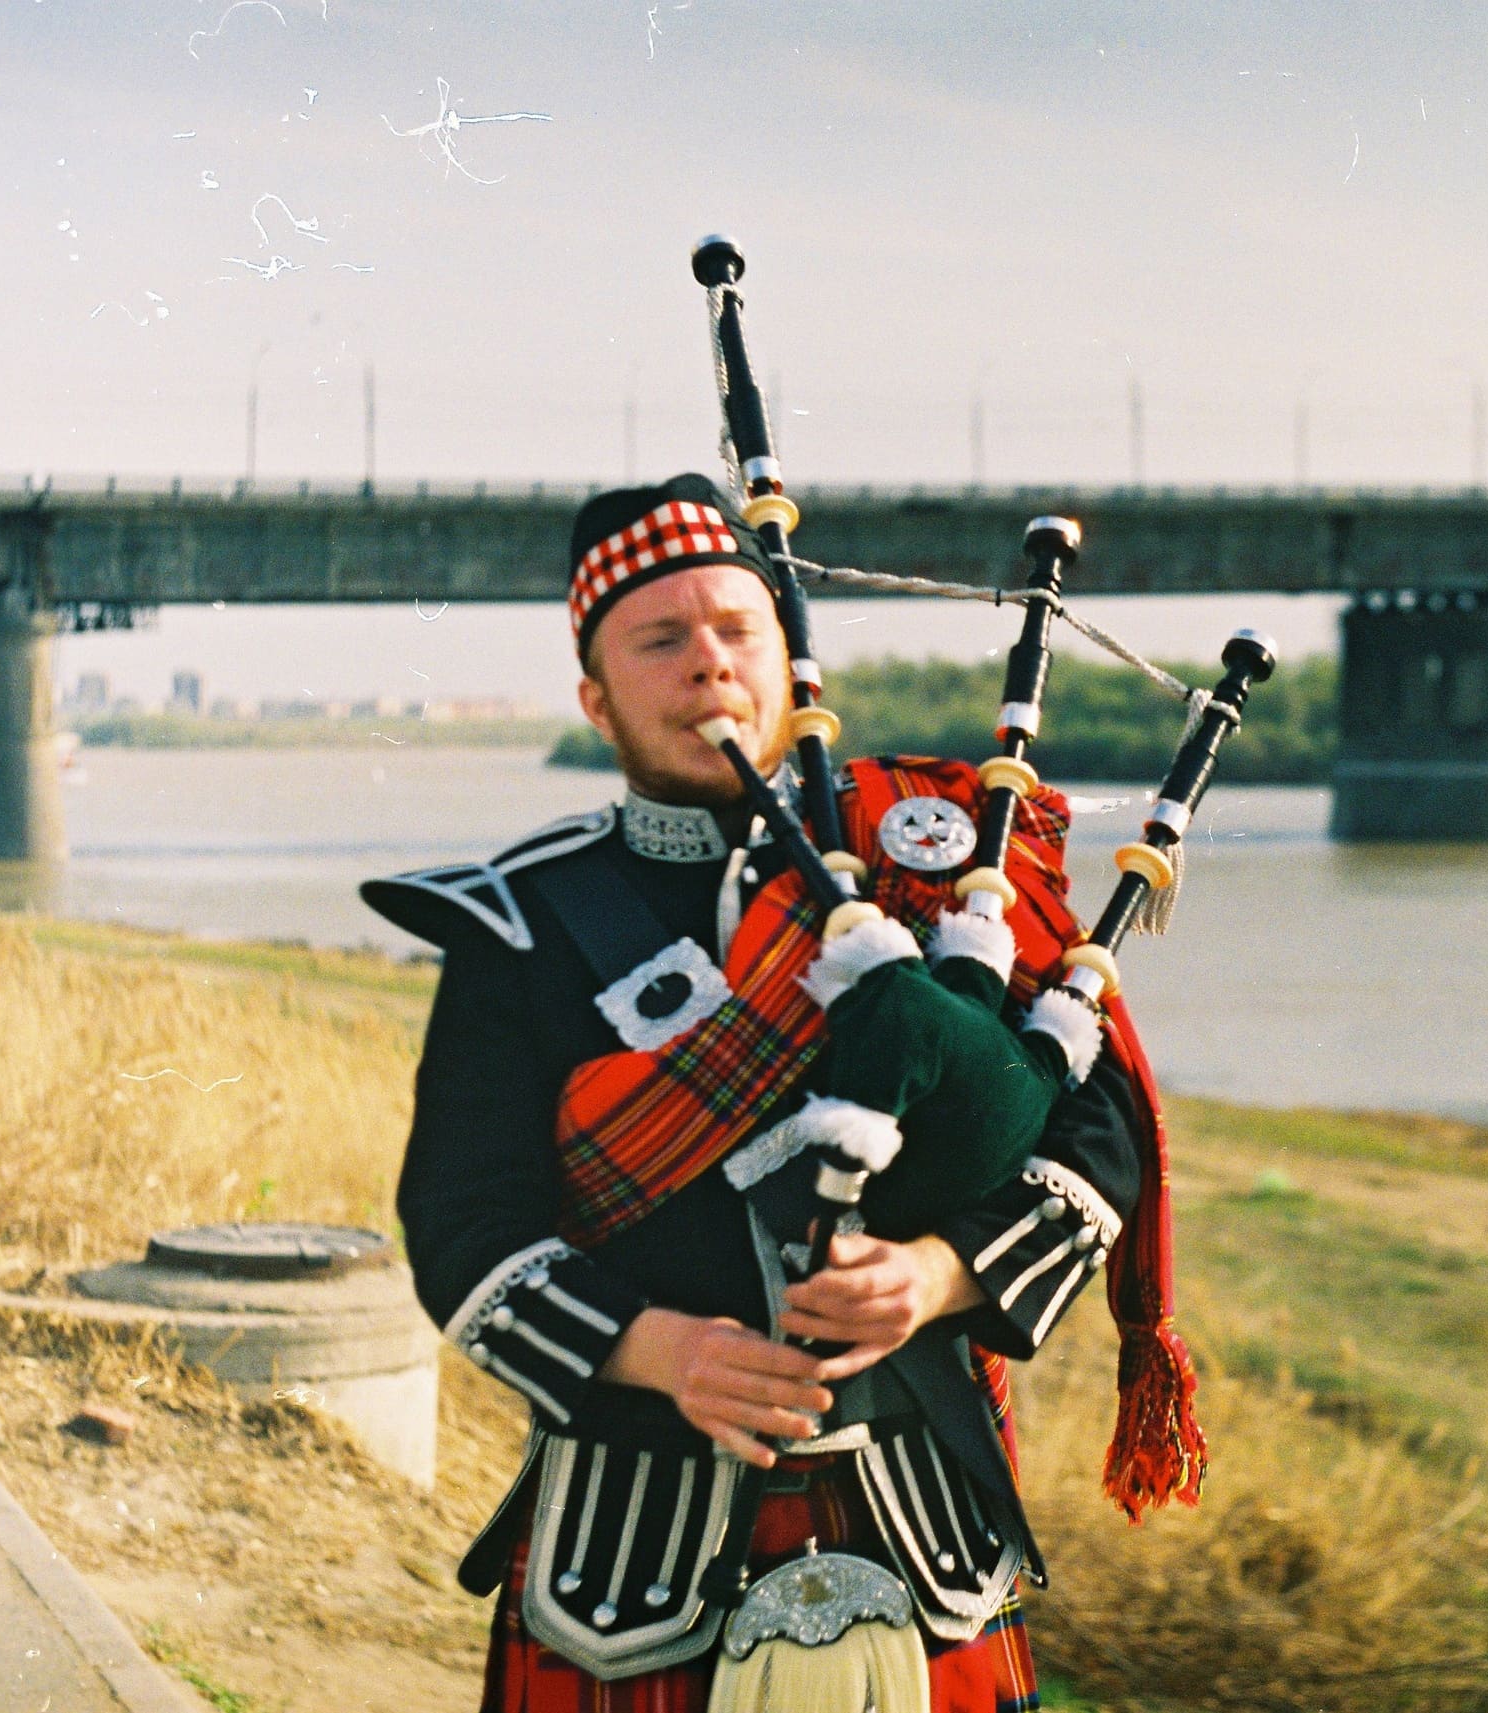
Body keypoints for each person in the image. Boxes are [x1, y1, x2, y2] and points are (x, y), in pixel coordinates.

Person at [364, 474, 1201, 1712]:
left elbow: (1095, 1131)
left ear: (788, 662)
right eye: (661, 640)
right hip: (625, 1564)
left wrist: (941, 1276)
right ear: (597, 699)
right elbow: (461, 1229)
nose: (708, 664)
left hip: (921, 1539)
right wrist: (661, 1352)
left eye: (736, 629)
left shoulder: (928, 858)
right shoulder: (524, 921)